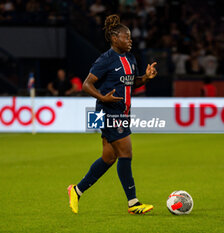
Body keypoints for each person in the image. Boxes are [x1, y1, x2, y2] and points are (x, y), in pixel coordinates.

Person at [67, 14, 158, 215]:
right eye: (127, 37)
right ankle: (133, 204)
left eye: (131, 38)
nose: (130, 41)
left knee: (109, 158)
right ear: (115, 38)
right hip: (107, 112)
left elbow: (132, 83)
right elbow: (86, 85)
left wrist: (146, 77)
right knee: (126, 153)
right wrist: (103, 98)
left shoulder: (131, 58)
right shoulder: (105, 60)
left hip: (122, 113)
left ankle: (77, 190)